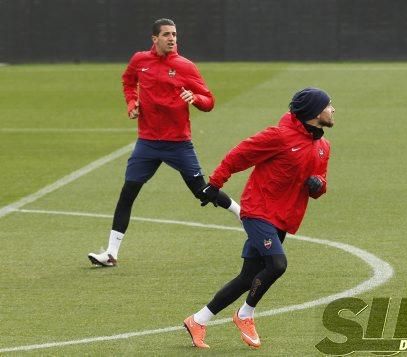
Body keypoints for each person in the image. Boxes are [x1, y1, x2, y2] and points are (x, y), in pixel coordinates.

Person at [183, 87, 335, 349]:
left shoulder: (323, 146)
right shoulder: (278, 136)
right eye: (329, 105)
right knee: (277, 265)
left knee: (247, 277)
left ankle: (198, 320)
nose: (333, 109)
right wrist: (215, 183)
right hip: (258, 211)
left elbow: (320, 186)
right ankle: (245, 314)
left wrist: (317, 185)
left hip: (284, 218)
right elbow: (239, 155)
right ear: (314, 112)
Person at [88, 18, 240, 267]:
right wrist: (131, 103)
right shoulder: (140, 60)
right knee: (128, 193)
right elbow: (128, 82)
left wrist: (196, 98)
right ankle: (111, 254)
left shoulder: (185, 66)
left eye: (175, 34)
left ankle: (240, 213)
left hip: (178, 143)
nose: (172, 39)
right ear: (154, 38)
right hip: (147, 143)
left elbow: (209, 101)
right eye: (167, 34)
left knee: (201, 191)